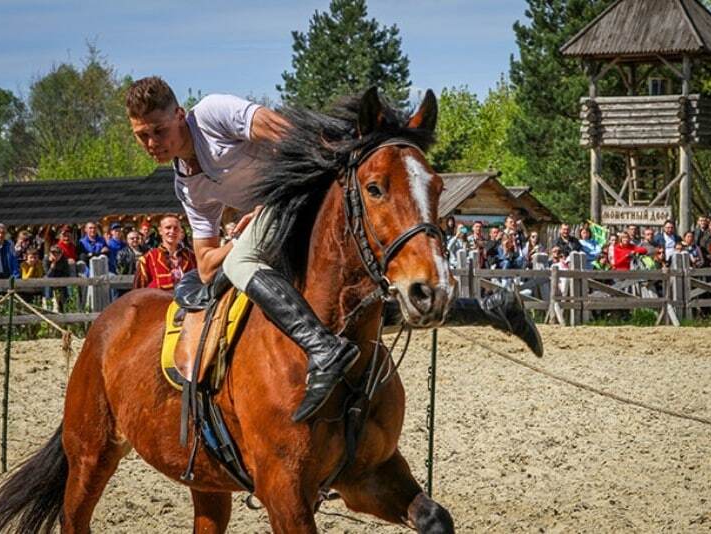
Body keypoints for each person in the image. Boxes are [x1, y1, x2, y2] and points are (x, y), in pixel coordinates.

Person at [127, 75, 534, 423]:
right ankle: (488, 309)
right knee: (334, 299)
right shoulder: (186, 184)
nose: (151, 143)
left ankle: (322, 349)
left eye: (158, 130)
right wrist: (236, 237)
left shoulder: (212, 113)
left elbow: (283, 132)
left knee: (246, 260)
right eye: (142, 135)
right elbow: (205, 266)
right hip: (274, 219)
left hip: (302, 192)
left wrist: (270, 206)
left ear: (180, 115)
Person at [134, 215, 197, 289]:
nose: (172, 231)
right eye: (168, 227)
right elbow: (139, 292)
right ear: (160, 231)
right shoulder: (148, 258)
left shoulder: (191, 257)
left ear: (180, 231)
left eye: (176, 228)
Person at [43, 244, 72, 311]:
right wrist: (52, 267)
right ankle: (48, 306)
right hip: (50, 280)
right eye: (53, 253)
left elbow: (66, 274)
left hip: (61, 280)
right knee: (47, 283)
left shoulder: (64, 260)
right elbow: (48, 275)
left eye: (57, 253)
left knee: (67, 287)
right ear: (50, 253)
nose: (55, 255)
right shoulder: (46, 260)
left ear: (61, 254)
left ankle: (67, 307)